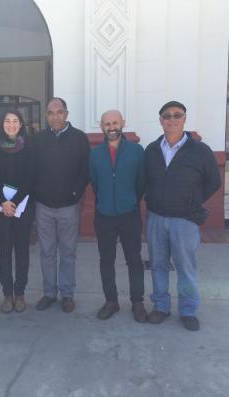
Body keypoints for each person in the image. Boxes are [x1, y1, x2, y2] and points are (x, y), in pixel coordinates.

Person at [144, 100, 221, 331]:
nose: (172, 120)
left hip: (184, 221)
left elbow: (213, 182)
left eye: (177, 115)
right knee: (158, 265)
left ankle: (187, 310)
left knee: (186, 267)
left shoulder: (200, 150)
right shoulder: (152, 150)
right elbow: (145, 179)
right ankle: (161, 307)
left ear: (184, 119)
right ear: (160, 121)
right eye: (167, 116)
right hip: (156, 218)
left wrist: (192, 202)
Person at [89, 110, 147, 322]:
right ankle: (111, 301)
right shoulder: (95, 154)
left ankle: (137, 302)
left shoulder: (136, 151)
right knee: (106, 260)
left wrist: (129, 199)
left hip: (129, 214)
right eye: (106, 124)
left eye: (114, 122)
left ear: (122, 123)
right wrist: (106, 201)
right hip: (104, 215)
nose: (111, 127)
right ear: (101, 127)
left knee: (134, 260)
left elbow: (141, 183)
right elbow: (95, 184)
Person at [33, 98, 90, 313]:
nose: (54, 116)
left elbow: (85, 170)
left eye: (59, 112)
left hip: (68, 207)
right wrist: (38, 192)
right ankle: (49, 293)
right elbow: (32, 169)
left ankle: (67, 294)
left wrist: (75, 192)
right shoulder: (38, 139)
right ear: (46, 116)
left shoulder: (79, 138)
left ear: (66, 114)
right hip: (44, 206)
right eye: (50, 112)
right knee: (46, 252)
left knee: (68, 252)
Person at [0, 110, 36, 313]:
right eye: (7, 121)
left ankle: (20, 293)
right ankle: (7, 294)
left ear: (21, 124)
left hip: (23, 205)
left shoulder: (28, 146)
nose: (11, 124)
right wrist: (4, 202)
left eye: (15, 121)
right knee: (4, 251)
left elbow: (30, 178)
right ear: (2, 124)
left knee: (22, 251)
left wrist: (14, 202)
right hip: (1, 207)